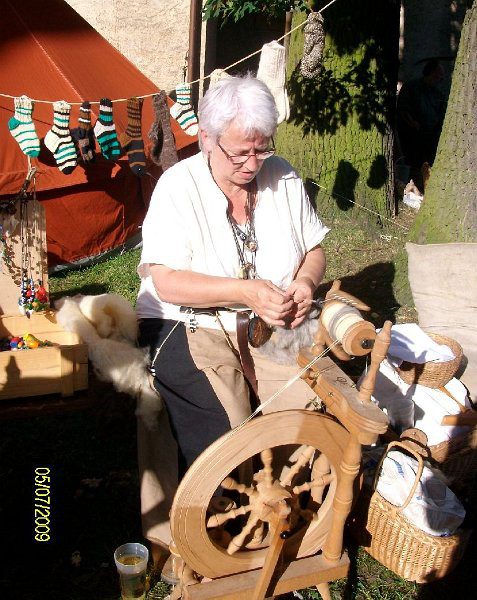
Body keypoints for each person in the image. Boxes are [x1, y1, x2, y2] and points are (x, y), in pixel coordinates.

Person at [135, 75, 329, 577]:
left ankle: (291, 518)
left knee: (315, 408)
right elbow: (167, 282)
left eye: (262, 150)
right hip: (185, 320)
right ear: (206, 137)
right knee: (228, 430)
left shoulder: (282, 177)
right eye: (240, 152)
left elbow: (314, 249)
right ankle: (203, 542)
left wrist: (304, 284)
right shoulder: (178, 187)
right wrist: (245, 292)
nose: (252, 163)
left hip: (272, 318)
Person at [396, 59, 447, 191]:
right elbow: (403, 109)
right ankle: (408, 188)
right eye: (439, 73)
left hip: (431, 137)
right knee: (412, 164)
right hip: (411, 136)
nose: (441, 77)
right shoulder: (411, 87)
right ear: (431, 72)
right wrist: (412, 123)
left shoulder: (438, 93)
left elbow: (441, 114)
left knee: (427, 165)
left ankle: (425, 189)